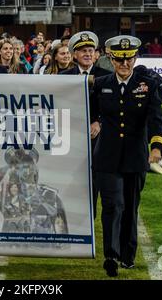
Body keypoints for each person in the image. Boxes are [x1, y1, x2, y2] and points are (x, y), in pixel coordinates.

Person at [90, 35, 162, 277]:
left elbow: (155, 119)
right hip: (107, 156)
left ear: (134, 58)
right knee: (113, 205)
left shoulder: (147, 85)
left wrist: (156, 149)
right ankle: (111, 255)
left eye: (129, 59)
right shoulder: (100, 84)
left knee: (130, 207)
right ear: (111, 59)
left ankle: (127, 255)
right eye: (119, 60)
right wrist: (93, 122)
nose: (125, 64)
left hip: (135, 157)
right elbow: (88, 110)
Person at [0, 148, 69, 248]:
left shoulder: (50, 196)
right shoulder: (4, 194)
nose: (24, 170)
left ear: (35, 170)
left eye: (28, 165)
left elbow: (63, 240)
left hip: (40, 253)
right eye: (16, 166)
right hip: (10, 251)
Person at [60, 31, 112, 220]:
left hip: (97, 138)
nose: (88, 54)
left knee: (94, 178)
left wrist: (99, 122)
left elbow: (112, 107)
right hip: (70, 137)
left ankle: (89, 218)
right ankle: (71, 216)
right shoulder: (64, 76)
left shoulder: (107, 76)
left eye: (91, 50)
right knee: (71, 178)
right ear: (74, 54)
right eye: (83, 51)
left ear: (96, 54)